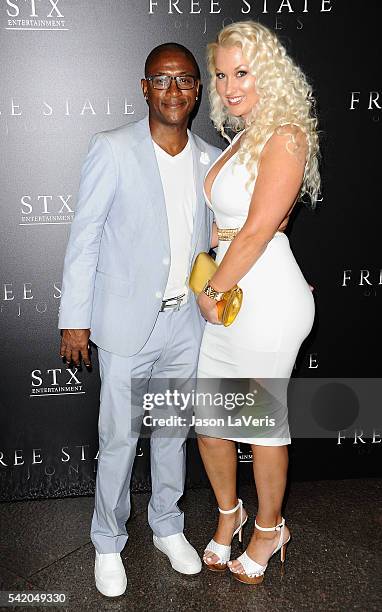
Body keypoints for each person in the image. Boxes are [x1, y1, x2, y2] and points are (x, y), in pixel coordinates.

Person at [58, 42, 220, 597]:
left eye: (184, 80)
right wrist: (74, 319)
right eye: (161, 79)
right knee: (120, 436)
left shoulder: (208, 158)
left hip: (186, 325)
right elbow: (84, 241)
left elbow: (220, 241)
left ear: (198, 91)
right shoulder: (112, 149)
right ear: (144, 87)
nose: (173, 90)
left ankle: (167, 527)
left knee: (173, 432)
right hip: (128, 324)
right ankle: (108, 541)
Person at [195, 21, 320, 584]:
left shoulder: (286, 134)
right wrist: (219, 261)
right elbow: (241, 226)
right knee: (211, 422)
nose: (228, 85)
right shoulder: (245, 135)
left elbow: (259, 231)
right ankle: (231, 514)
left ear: (268, 72)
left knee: (262, 423)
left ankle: (271, 528)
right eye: (221, 74)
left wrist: (214, 291)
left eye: (242, 72)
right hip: (235, 289)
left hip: (261, 298)